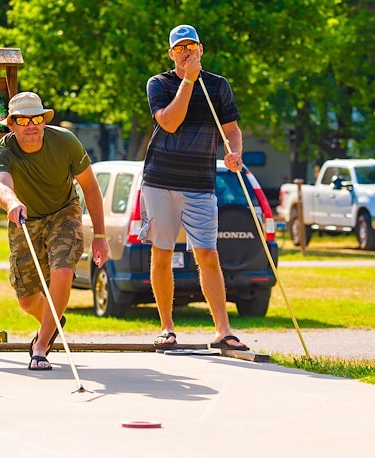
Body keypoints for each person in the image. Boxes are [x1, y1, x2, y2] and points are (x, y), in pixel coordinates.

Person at [141, 24, 249, 351]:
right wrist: (188, 81)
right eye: (180, 48)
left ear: (201, 49)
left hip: (200, 183)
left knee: (208, 255)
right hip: (160, 179)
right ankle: (167, 328)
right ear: (171, 53)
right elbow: (170, 122)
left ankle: (223, 331)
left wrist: (234, 152)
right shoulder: (159, 83)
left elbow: (231, 130)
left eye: (192, 46)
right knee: (162, 254)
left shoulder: (219, 86)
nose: (187, 52)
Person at [0, 92, 109, 370]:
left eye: (37, 118)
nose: (31, 125)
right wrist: (13, 201)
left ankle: (41, 346)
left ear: (44, 120)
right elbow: (1, 186)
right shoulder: (0, 152)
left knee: (63, 270)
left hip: (63, 212)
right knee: (27, 299)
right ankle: (53, 319)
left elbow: (90, 187)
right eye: (23, 120)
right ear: (11, 124)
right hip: (24, 217)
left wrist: (100, 237)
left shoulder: (65, 142)